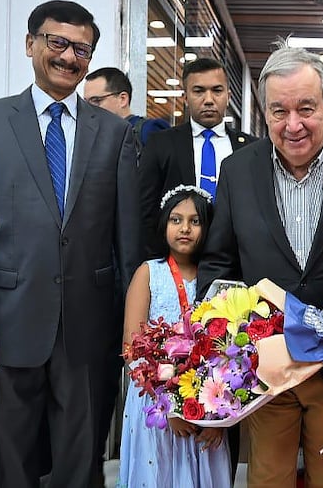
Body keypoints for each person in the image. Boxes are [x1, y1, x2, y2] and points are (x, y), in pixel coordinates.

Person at [0, 0, 142, 487]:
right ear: (31, 44)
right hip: (7, 328)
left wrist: (133, 332)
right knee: (4, 461)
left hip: (88, 330)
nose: (69, 57)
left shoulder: (115, 134)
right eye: (58, 43)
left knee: (80, 465)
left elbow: (126, 241)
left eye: (82, 48)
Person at [199, 41, 323, 487]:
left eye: (306, 108)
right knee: (268, 478)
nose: (293, 125)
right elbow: (219, 263)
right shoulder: (237, 171)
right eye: (279, 111)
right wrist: (233, 334)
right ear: (264, 114)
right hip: (265, 371)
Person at [119, 185, 231, 488]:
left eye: (195, 221)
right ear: (163, 224)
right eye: (176, 219)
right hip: (155, 404)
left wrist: (218, 419)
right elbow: (132, 350)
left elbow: (227, 353)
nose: (185, 228)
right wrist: (168, 408)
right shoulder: (148, 272)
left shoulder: (217, 279)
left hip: (207, 404)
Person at [139, 57, 256, 258]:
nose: (209, 99)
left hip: (234, 263)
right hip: (173, 263)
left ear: (228, 95)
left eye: (217, 91)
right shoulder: (161, 144)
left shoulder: (251, 148)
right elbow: (145, 211)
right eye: (199, 91)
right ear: (185, 97)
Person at [83, 66, 171, 159]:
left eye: (96, 100)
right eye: (85, 102)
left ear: (122, 99)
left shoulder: (149, 130)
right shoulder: (90, 137)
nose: (89, 108)